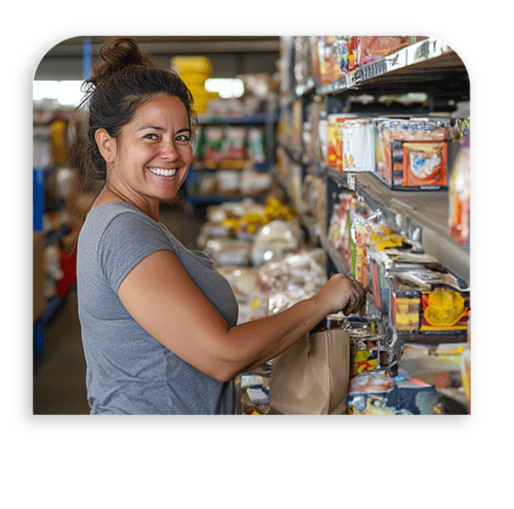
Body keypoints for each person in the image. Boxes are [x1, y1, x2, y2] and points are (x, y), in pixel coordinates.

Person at [73, 37, 366, 415]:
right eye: (151, 137)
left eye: (181, 137)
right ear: (107, 145)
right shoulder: (122, 232)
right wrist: (323, 301)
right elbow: (223, 356)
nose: (172, 153)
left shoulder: (134, 220)